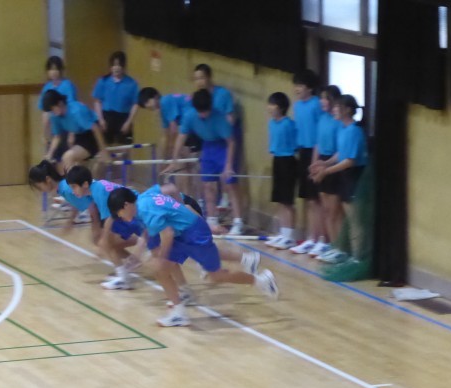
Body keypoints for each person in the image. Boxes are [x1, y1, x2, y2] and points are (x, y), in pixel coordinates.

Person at [108, 186, 279, 327]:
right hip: (183, 233)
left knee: (216, 276)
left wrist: (161, 258)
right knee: (161, 271)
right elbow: (169, 197)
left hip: (194, 234)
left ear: (126, 205)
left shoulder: (146, 211)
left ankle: (261, 280)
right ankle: (179, 313)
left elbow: (167, 234)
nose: (120, 217)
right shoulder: (144, 197)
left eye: (119, 213)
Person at [167, 89, 244, 235]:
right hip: (208, 147)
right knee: (207, 185)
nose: (203, 115)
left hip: (223, 147)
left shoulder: (220, 118)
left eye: (206, 111)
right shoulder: (190, 116)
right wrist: (174, 159)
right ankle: (211, 219)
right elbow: (181, 137)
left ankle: (238, 222)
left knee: (230, 184)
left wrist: (228, 165)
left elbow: (231, 142)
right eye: (200, 112)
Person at [311, 95, 368, 265]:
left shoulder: (354, 131)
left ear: (348, 110)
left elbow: (350, 161)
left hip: (354, 176)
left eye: (338, 107)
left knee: (355, 219)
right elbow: (341, 154)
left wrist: (326, 172)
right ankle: (344, 251)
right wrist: (325, 162)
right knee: (346, 218)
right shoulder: (343, 129)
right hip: (345, 177)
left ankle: (357, 257)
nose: (334, 110)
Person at [193, 63, 238, 214]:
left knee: (228, 178)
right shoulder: (198, 98)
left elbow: (230, 117)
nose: (199, 82)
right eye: (196, 79)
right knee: (208, 181)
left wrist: (224, 130)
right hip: (208, 140)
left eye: (201, 78)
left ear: (209, 77)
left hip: (224, 139)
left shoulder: (223, 94)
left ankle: (230, 207)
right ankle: (211, 215)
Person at [137, 87, 196, 194]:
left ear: (155, 97)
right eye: (145, 105)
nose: (147, 106)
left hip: (194, 127)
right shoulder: (163, 110)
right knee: (181, 163)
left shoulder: (165, 101)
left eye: (147, 102)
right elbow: (165, 135)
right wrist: (163, 158)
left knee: (181, 164)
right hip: (189, 129)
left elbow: (174, 130)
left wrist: (172, 151)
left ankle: (186, 196)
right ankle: (185, 195)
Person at [307, 85, 343, 258]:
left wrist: (326, 166)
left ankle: (339, 247)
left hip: (334, 164)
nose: (322, 101)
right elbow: (318, 144)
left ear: (334, 101)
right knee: (325, 209)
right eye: (321, 97)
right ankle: (328, 243)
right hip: (322, 161)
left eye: (326, 98)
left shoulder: (338, 121)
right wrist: (314, 164)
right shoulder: (321, 118)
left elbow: (341, 150)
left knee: (334, 211)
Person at [291, 69, 324, 254]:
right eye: (296, 85)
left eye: (300, 85)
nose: (297, 89)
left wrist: (315, 159)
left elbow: (320, 132)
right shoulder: (297, 106)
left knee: (316, 200)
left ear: (310, 88)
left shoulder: (316, 104)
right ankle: (311, 238)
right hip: (303, 152)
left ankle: (321, 238)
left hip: (315, 152)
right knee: (308, 200)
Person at [41, 90, 108, 173]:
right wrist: (49, 155)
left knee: (67, 157)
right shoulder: (55, 116)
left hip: (92, 135)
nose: (53, 113)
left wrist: (103, 151)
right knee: (74, 164)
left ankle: (73, 180)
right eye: (51, 111)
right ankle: (77, 179)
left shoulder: (77, 111)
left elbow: (95, 128)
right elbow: (57, 136)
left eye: (53, 109)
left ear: (60, 103)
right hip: (79, 135)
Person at [264, 92, 298, 250]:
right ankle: (283, 233)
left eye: (273, 105)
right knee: (279, 199)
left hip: (288, 160)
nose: (270, 108)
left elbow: (295, 144)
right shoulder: (271, 123)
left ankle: (290, 236)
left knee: (287, 200)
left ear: (281, 107)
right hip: (277, 159)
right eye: (269, 104)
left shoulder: (288, 124)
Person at [29, 159, 99, 234]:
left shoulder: (65, 189)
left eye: (39, 187)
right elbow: (76, 202)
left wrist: (96, 226)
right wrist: (71, 220)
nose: (40, 190)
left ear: (48, 179)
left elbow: (92, 205)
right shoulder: (63, 187)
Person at [92, 51, 139, 146]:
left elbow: (136, 104)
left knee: (124, 148)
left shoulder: (132, 83)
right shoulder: (103, 81)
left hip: (123, 118)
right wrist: (101, 120)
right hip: (106, 117)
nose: (116, 68)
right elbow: (97, 101)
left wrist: (128, 122)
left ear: (124, 66)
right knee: (105, 147)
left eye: (119, 65)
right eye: (114, 65)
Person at [37, 56, 78, 161]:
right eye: (51, 69)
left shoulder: (67, 85)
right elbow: (45, 112)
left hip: (67, 127)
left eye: (56, 69)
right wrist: (44, 134)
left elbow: (72, 109)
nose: (53, 72)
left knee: (68, 159)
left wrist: (72, 132)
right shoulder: (47, 87)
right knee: (51, 158)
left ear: (60, 70)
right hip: (54, 129)